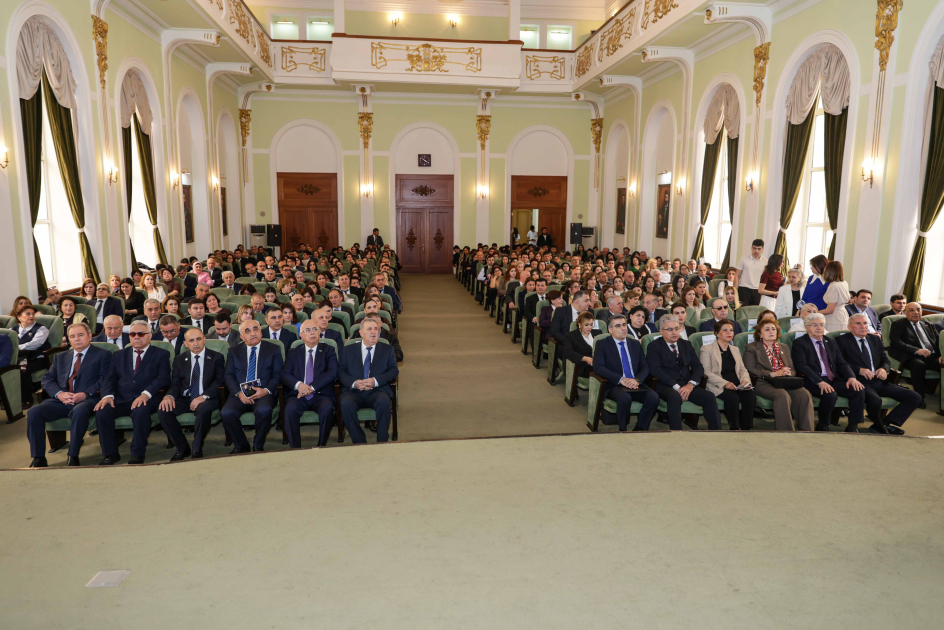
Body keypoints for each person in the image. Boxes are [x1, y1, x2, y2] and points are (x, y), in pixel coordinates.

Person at [26, 322, 111, 467]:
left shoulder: (103, 354)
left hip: (87, 400)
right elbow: (47, 378)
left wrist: (85, 394)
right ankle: (38, 457)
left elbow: (105, 379)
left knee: (78, 411)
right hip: (62, 400)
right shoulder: (61, 357)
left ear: (89, 336)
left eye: (80, 335)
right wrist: (59, 394)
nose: (76, 339)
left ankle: (73, 455)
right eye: (72, 336)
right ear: (68, 339)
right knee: (34, 411)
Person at [92, 321, 171, 464]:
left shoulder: (161, 354)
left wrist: (146, 393)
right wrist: (108, 396)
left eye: (141, 334)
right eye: (133, 334)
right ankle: (110, 454)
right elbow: (109, 379)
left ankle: (137, 453)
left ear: (149, 336)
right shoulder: (118, 355)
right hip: (121, 398)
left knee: (140, 412)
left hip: (147, 399)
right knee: (102, 410)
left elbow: (163, 378)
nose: (136, 337)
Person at [838, 313, 922, 434]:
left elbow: (885, 360)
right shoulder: (841, 341)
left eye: (865, 323)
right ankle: (880, 426)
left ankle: (884, 424)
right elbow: (838, 363)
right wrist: (858, 370)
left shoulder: (875, 339)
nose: (863, 326)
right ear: (850, 327)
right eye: (858, 323)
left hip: (879, 381)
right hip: (859, 382)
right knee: (875, 400)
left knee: (915, 397)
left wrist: (884, 369)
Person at [158, 327, 225, 460]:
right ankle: (182, 448)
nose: (196, 343)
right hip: (185, 397)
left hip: (208, 397)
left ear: (204, 340)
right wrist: (169, 396)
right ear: (185, 344)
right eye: (191, 340)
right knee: (163, 410)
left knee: (203, 410)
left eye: (199, 339)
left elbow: (219, 381)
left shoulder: (217, 357)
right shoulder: (179, 359)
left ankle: (197, 447)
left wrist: (203, 397)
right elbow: (176, 383)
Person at [791, 312, 866, 432]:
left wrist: (851, 377)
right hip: (813, 380)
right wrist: (819, 381)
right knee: (830, 394)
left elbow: (841, 363)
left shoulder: (830, 341)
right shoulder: (800, 343)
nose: (819, 328)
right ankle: (823, 425)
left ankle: (853, 425)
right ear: (807, 328)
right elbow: (802, 366)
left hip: (833, 379)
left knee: (858, 389)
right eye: (814, 325)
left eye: (821, 325)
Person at [646, 314, 722, 430]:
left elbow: (698, 366)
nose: (674, 332)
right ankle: (677, 433)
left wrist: (691, 384)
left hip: (687, 384)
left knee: (709, 397)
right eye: (670, 329)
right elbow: (655, 370)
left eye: (676, 328)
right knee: (674, 396)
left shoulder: (686, 344)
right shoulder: (654, 346)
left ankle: (717, 432)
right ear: (661, 331)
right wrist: (676, 387)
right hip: (666, 385)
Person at [221, 319, 284, 453]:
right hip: (240, 393)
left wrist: (265, 391)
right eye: (247, 331)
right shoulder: (234, 351)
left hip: (263, 392)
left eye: (255, 329)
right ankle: (241, 445)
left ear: (261, 332)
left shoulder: (273, 349)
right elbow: (229, 375)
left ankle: (258, 444)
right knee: (226, 413)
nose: (253, 333)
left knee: (264, 410)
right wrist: (238, 393)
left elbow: (277, 374)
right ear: (242, 336)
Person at [591, 314, 660, 431]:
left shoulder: (634, 343)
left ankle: (640, 428)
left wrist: (637, 380)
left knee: (653, 398)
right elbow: (598, 368)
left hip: (634, 382)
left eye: (624, 324)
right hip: (614, 384)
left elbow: (645, 367)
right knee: (624, 398)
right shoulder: (603, 344)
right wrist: (621, 379)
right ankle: (623, 430)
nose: (623, 328)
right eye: (618, 326)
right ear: (610, 330)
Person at [743, 318, 814, 431]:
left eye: (773, 329)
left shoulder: (783, 347)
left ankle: (807, 430)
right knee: (781, 394)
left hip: (785, 381)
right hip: (763, 382)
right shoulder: (752, 348)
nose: (771, 331)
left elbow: (793, 369)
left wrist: (788, 372)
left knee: (804, 394)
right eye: (767, 329)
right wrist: (772, 374)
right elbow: (750, 369)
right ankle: (786, 431)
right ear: (760, 334)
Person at [280, 318, 339, 448]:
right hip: (298, 394)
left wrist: (311, 387)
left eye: (315, 329)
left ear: (319, 333)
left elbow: (332, 372)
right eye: (308, 330)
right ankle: (296, 448)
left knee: (327, 409)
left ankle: (321, 445)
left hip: (321, 394)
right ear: (301, 335)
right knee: (289, 409)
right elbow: (285, 374)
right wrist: (299, 385)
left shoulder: (328, 350)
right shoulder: (293, 352)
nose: (312, 333)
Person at [338, 318, 398, 444]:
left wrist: (375, 381)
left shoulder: (387, 350)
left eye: (376, 329)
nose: (373, 332)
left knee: (384, 402)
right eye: (369, 329)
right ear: (361, 333)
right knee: (346, 404)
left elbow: (393, 371)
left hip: (377, 390)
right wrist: (354, 383)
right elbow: (340, 372)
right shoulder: (348, 350)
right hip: (354, 391)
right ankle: (359, 441)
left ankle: (382, 442)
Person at [700, 319, 756, 430]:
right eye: (725, 330)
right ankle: (734, 428)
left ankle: (746, 428)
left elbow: (742, 369)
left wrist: (745, 380)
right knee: (733, 398)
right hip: (718, 384)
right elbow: (706, 372)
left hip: (737, 383)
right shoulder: (707, 349)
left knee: (750, 395)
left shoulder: (735, 349)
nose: (729, 333)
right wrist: (725, 383)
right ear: (716, 333)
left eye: (731, 330)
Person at [889, 302, 943, 406]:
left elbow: (939, 342)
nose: (916, 312)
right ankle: (919, 398)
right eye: (911, 310)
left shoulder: (928, 324)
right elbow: (896, 342)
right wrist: (916, 350)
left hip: (932, 356)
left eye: (918, 310)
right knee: (918, 365)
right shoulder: (898, 324)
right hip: (913, 356)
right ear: (905, 312)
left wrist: (942, 354)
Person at [13, 304, 51, 405]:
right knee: (7, 369)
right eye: (28, 314)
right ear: (19, 317)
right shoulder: (13, 330)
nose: (31, 316)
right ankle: (9, 399)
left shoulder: (41, 329)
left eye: (33, 314)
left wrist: (16, 347)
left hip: (39, 358)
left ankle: (27, 399)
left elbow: (34, 345)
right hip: (20, 358)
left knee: (22, 370)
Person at [561, 311, 603, 379]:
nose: (589, 327)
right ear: (579, 324)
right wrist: (585, 358)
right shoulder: (571, 335)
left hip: (600, 362)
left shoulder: (598, 333)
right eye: (586, 325)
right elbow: (568, 352)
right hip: (584, 366)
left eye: (591, 324)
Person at [735, 239, 766, 306]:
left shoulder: (765, 261)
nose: (756, 251)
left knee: (754, 312)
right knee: (742, 311)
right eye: (754, 248)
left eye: (759, 249)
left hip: (757, 290)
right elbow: (737, 275)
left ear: (762, 249)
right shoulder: (743, 258)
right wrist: (734, 290)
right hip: (743, 289)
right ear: (752, 247)